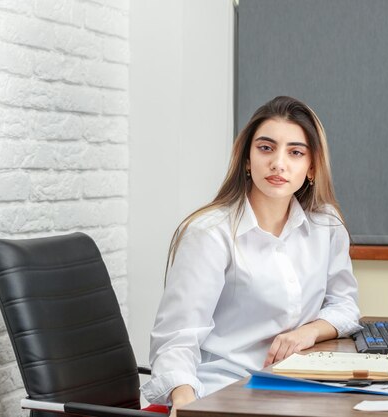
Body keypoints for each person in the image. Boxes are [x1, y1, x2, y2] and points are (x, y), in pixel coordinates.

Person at [140, 96, 362, 414]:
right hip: (226, 393)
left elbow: (345, 306)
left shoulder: (325, 224)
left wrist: (308, 332)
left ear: (311, 166)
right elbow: (177, 338)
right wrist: (184, 400)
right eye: (265, 148)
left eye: (295, 152)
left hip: (301, 391)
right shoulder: (211, 233)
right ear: (247, 159)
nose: (278, 164)